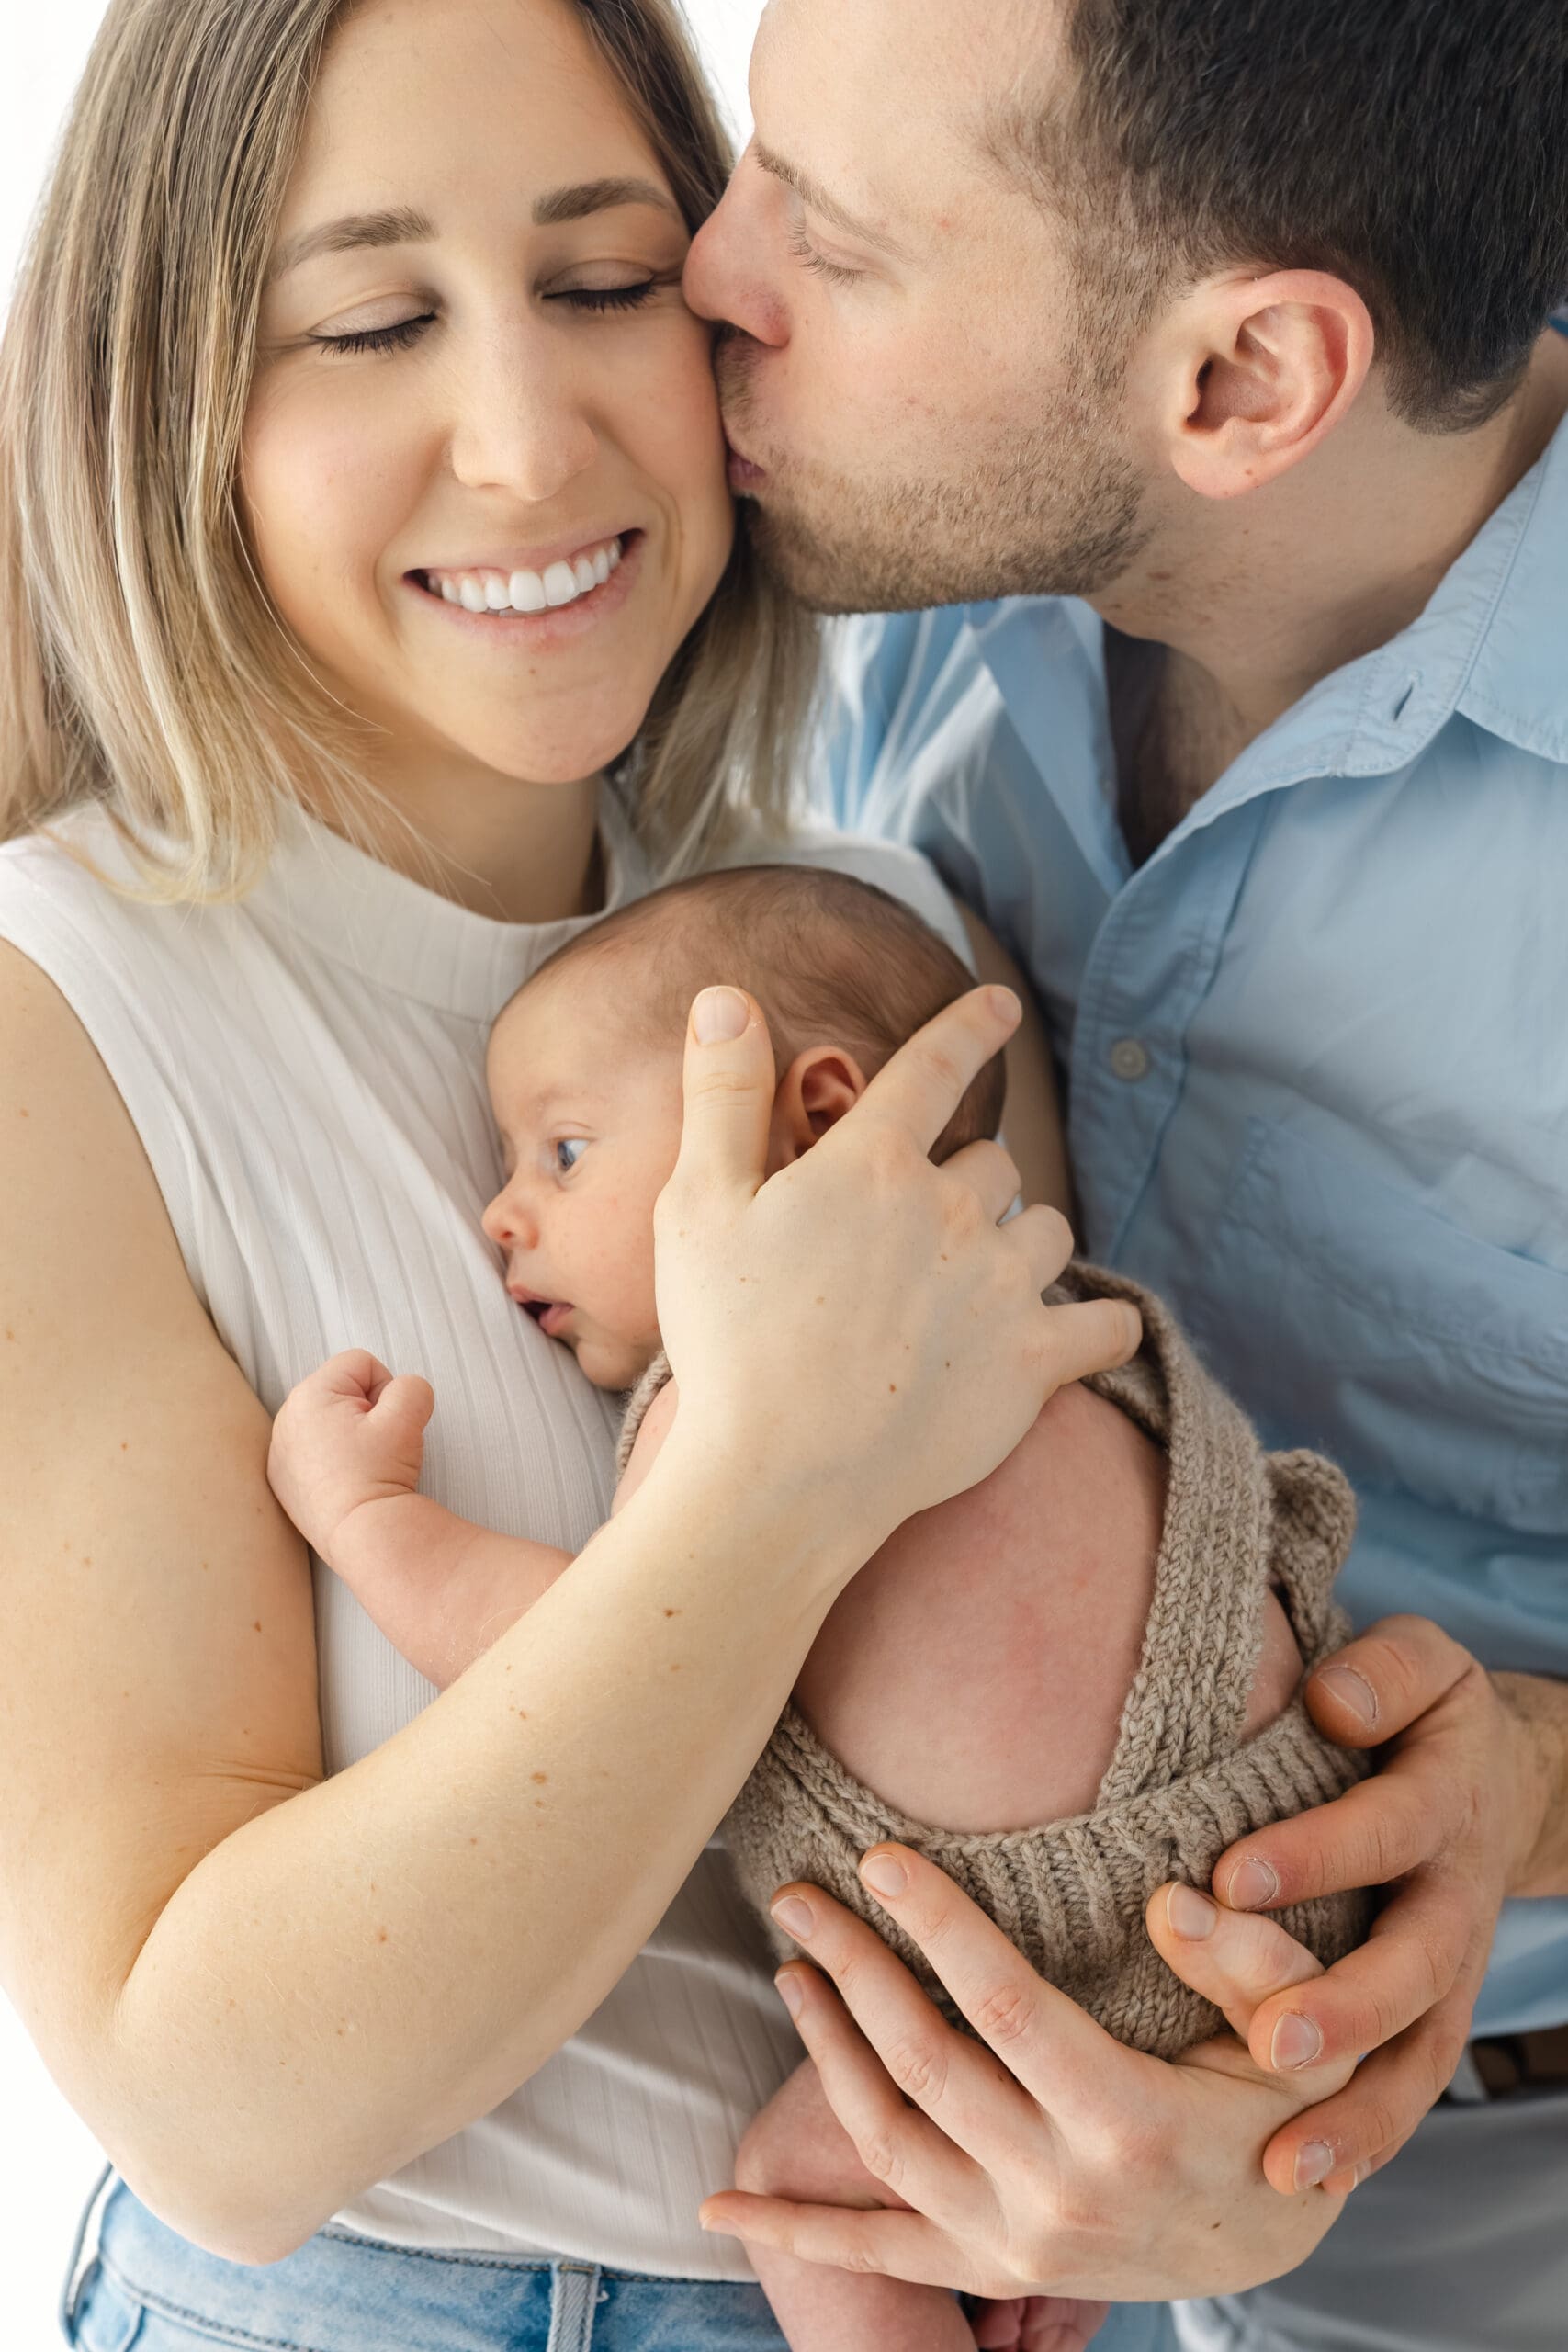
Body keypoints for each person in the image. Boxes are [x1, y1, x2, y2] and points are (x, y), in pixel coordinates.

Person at [0, 5, 1320, 2352]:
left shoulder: (873, 947)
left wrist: (1226, 2152)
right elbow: (211, 2099)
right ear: (165, 391)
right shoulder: (64, 1010)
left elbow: (1075, 1717)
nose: (526, 440)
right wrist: (768, 1484)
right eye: (375, 318)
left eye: (607, 281)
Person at [680, 3, 1568, 2347]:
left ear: (1244, 382)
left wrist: (1523, 1791)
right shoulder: (947, 566)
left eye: (831, 242)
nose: (706, 268)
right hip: (902, 2161)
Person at [264, 857, 1368, 2352]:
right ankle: (1044, 2262)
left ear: (821, 1114)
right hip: (1291, 1894)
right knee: (982, 2166)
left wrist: (369, 1518)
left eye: (565, 1151)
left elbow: (593, 1678)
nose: (501, 1217)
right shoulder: (1028, 1324)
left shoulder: (756, 1383)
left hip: (1092, 1938)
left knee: (804, 2188)